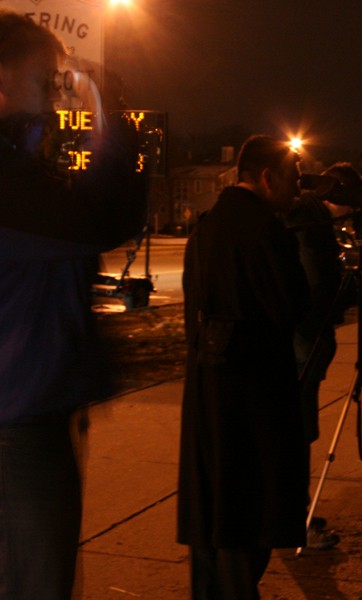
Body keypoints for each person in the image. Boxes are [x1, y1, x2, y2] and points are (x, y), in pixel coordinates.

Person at [0, 11, 146, 598]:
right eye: (44, 79)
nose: (55, 91)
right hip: (19, 415)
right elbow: (99, 219)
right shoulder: (8, 179)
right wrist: (112, 117)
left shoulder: (19, 161)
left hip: (31, 404)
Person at [179, 134, 310, 599]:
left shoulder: (208, 226)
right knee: (248, 511)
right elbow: (292, 306)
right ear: (267, 177)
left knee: (216, 509)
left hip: (209, 384)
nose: (298, 189)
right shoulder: (263, 229)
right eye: (293, 179)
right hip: (254, 391)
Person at [284, 162, 359, 551]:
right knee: (297, 434)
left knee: (292, 433)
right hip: (303, 340)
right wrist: (348, 291)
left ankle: (288, 516)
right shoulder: (310, 226)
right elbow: (317, 287)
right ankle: (293, 521)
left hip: (299, 338)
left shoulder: (304, 217)